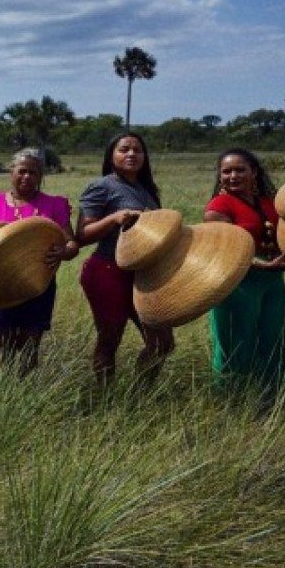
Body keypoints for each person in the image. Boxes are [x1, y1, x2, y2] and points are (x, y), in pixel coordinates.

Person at [203, 148, 285, 396]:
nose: (233, 175)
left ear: (254, 172)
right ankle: (233, 400)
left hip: (272, 283)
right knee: (235, 344)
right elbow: (225, 252)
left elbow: (283, 239)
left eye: (240, 169)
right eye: (226, 171)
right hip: (235, 285)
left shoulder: (268, 203)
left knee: (272, 341)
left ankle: (271, 397)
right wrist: (263, 264)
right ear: (220, 176)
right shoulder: (218, 206)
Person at [76, 132, 174, 383]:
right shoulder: (102, 186)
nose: (131, 154)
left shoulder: (146, 188)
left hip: (142, 275)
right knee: (110, 339)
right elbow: (82, 235)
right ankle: (105, 400)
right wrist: (114, 218)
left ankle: (140, 396)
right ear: (111, 156)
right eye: (124, 149)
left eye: (137, 150)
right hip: (108, 271)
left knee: (163, 342)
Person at [0, 148, 78, 376]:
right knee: (3, 348)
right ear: (11, 172)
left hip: (38, 285)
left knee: (30, 348)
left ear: (41, 176)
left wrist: (62, 252)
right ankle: (1, 398)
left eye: (33, 172)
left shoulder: (54, 205)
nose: (27, 177)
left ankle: (24, 397)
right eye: (22, 171)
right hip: (1, 285)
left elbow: (72, 245)